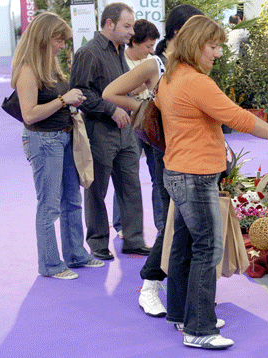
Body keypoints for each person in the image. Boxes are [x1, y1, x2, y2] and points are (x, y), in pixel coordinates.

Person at [154, 15, 268, 349]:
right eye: (213, 46)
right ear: (197, 44)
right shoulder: (196, 82)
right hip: (195, 176)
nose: (217, 53)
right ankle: (199, 328)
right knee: (207, 248)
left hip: (177, 172)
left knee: (184, 245)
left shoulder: (171, 77)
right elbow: (239, 118)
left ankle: (182, 314)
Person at [103, 4, 203, 317]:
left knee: (186, 219)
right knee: (173, 217)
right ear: (179, 32)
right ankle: (150, 284)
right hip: (166, 151)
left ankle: (180, 287)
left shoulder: (195, 64)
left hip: (193, 151)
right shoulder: (155, 65)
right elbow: (111, 92)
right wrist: (147, 109)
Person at [12, 12, 104, 279]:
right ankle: (50, 264)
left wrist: (69, 101)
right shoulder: (28, 70)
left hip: (63, 137)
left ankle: (76, 254)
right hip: (44, 141)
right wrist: (64, 100)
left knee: (72, 200)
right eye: (59, 39)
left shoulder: (49, 66)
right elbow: (29, 114)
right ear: (44, 38)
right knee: (50, 205)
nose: (62, 45)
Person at [70, 2, 151, 261]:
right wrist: (110, 109)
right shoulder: (88, 53)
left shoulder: (118, 52)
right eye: (127, 26)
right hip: (100, 131)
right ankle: (97, 242)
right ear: (109, 24)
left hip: (125, 131)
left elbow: (119, 88)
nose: (131, 32)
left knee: (131, 185)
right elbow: (80, 93)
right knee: (96, 190)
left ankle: (134, 239)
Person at [112, 19, 161, 242]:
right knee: (126, 174)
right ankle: (121, 224)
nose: (151, 51)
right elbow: (117, 92)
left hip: (151, 121)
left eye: (153, 46)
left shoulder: (152, 61)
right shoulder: (120, 61)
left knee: (158, 174)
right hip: (129, 122)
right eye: (148, 46)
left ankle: (161, 223)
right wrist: (139, 86)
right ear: (134, 42)